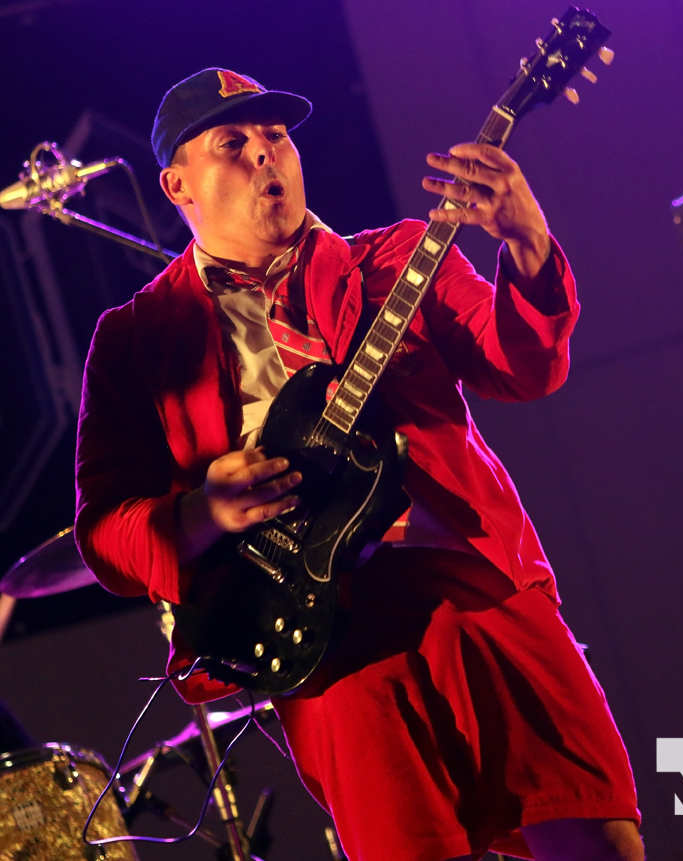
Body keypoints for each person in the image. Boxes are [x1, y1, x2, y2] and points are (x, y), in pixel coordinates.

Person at [74, 68, 644, 861]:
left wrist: (527, 243)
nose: (265, 153)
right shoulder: (136, 338)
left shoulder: (397, 258)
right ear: (178, 185)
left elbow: (523, 366)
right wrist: (202, 513)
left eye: (276, 135)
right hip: (320, 636)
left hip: (470, 582)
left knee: (595, 830)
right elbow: (103, 533)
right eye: (232, 143)